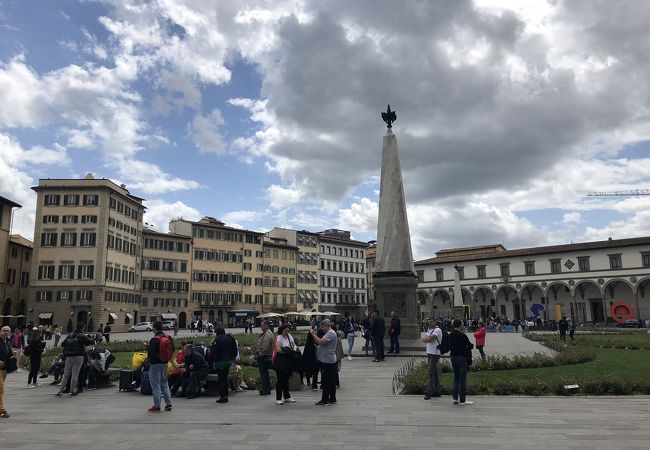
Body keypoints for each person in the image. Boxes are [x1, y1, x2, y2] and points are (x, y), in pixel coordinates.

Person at [56, 322, 94, 397]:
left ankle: (60, 391)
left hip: (69, 356)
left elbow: (63, 344)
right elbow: (91, 342)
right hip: (79, 356)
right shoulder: (82, 336)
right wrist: (90, 337)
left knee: (66, 374)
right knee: (75, 374)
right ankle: (72, 391)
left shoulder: (70, 335)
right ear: (83, 328)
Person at [146, 321, 173, 412]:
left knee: (156, 385)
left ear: (154, 328)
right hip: (165, 363)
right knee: (165, 384)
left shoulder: (154, 339)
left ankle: (157, 405)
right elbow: (172, 349)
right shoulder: (168, 337)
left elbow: (150, 354)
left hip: (155, 364)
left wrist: (147, 348)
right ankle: (168, 403)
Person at [310, 319, 338, 405]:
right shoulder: (330, 333)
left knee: (326, 381)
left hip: (327, 361)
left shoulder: (330, 333)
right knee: (331, 380)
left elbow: (321, 342)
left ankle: (324, 399)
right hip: (329, 359)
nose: (321, 329)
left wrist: (313, 334)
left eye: (322, 327)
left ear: (326, 325)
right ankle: (332, 398)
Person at [209, 327, 238, 404]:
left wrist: (213, 361)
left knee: (221, 379)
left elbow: (214, 351)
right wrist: (232, 357)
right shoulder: (231, 338)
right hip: (228, 361)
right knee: (225, 379)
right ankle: (226, 396)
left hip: (220, 362)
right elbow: (235, 349)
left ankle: (223, 397)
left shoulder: (217, 340)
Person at [450, 319, 474, 405]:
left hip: (453, 357)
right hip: (461, 358)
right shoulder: (462, 335)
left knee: (456, 377)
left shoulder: (451, 335)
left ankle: (455, 398)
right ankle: (462, 399)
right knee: (462, 379)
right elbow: (470, 345)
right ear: (460, 325)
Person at [272, 323, 297, 405]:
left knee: (286, 379)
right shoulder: (279, 337)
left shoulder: (289, 336)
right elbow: (278, 349)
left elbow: (294, 345)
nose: (286, 332)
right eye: (285, 331)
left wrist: (292, 349)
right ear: (281, 330)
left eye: (288, 331)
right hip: (281, 359)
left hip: (288, 360)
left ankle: (287, 396)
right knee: (280, 379)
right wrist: (287, 351)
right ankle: (278, 398)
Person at [421, 317, 442, 400]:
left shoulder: (437, 330)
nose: (429, 323)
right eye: (429, 322)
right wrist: (426, 339)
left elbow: (430, 339)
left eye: (431, 322)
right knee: (434, 372)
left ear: (435, 322)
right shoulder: (429, 330)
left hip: (435, 353)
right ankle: (437, 391)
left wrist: (426, 339)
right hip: (429, 352)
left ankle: (429, 392)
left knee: (430, 373)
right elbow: (424, 339)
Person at [255, 319, 274, 396]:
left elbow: (265, 347)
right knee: (264, 374)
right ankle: (265, 389)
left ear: (266, 325)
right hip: (265, 356)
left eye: (262, 325)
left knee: (264, 374)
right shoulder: (267, 333)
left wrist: (259, 353)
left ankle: (265, 390)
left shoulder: (267, 334)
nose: (261, 327)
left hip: (264, 356)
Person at [1, 325, 15, 418]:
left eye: (7, 331)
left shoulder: (8, 342)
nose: (5, 332)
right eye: (3, 330)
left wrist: (12, 353)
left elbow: (8, 353)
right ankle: (2, 410)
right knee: (0, 389)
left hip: (5, 369)